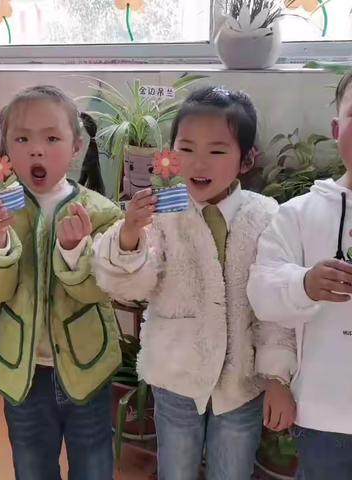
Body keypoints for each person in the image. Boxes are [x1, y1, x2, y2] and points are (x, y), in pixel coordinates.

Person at [94, 86, 294, 480]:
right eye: (186, 148)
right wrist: (131, 233)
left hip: (242, 382)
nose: (199, 162)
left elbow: (276, 309)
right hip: (176, 376)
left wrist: (276, 376)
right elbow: (131, 285)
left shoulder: (266, 217)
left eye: (217, 151)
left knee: (231, 470)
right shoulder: (161, 213)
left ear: (246, 160)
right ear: (169, 155)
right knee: (177, 468)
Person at [0, 85, 122, 480]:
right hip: (23, 373)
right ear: (6, 152)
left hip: (87, 366)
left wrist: (74, 252)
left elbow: (98, 292)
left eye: (51, 138)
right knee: (32, 465)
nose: (36, 150)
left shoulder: (99, 212)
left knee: (93, 462)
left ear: (75, 147)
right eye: (22, 139)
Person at [248, 70, 352, 480]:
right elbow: (263, 293)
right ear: (336, 128)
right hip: (325, 415)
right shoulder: (298, 214)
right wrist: (304, 284)